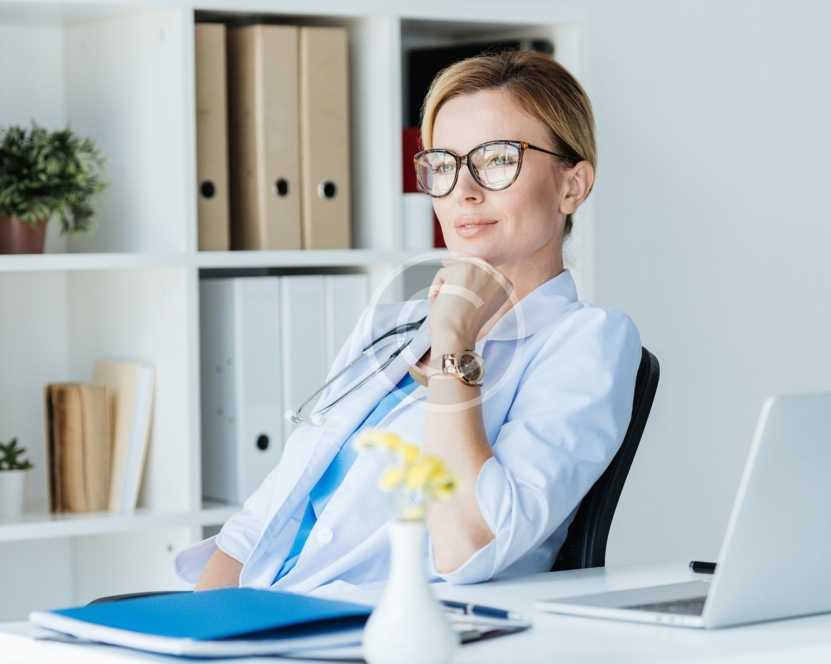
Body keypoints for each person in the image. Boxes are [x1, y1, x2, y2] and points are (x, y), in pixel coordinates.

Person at [175, 49, 641, 596]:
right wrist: (195, 628)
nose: (464, 190)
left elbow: (469, 547)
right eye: (444, 165)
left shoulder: (587, 343)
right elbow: (260, 522)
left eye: (497, 160)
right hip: (262, 609)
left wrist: (454, 346)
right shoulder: (390, 327)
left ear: (572, 186)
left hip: (382, 627)